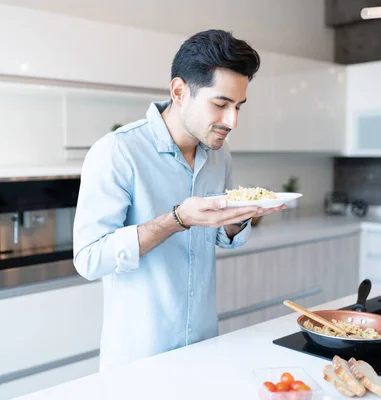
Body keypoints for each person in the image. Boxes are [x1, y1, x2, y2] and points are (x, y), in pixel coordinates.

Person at [73, 29, 286, 371]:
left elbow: (219, 238)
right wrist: (177, 220)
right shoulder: (117, 152)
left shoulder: (220, 153)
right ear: (179, 91)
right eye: (220, 104)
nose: (231, 121)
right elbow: (89, 258)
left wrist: (238, 218)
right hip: (139, 359)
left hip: (203, 347)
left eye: (238, 107)